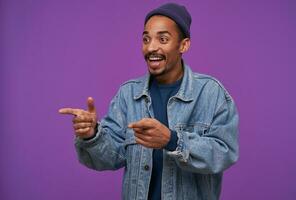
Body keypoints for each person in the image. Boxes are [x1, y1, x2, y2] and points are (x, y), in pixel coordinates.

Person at [59, 3, 239, 200]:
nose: (151, 47)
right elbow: (110, 157)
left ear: (183, 45)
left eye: (163, 39)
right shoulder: (128, 94)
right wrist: (91, 135)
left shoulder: (211, 93)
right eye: (146, 39)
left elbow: (225, 153)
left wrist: (173, 141)